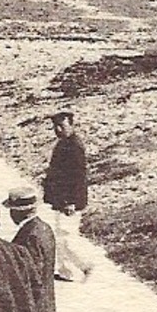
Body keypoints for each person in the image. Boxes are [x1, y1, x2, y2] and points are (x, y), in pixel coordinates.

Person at [44, 111, 96, 282]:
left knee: (66, 236)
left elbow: (77, 177)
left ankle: (85, 264)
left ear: (71, 126)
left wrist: (71, 201)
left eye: (62, 126)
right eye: (55, 126)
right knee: (61, 235)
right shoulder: (64, 144)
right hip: (62, 200)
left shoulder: (74, 147)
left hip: (69, 201)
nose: (58, 130)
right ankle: (66, 271)